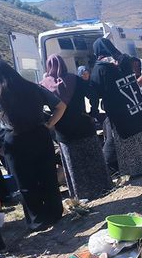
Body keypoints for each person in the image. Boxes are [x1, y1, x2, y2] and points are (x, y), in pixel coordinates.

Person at [0, 59, 66, 232]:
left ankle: (38, 220)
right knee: (48, 176)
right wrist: (49, 124)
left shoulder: (0, 94)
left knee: (26, 183)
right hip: (40, 135)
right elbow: (60, 106)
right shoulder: (33, 87)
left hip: (15, 140)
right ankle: (55, 213)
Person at [41, 55, 112, 200]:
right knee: (94, 158)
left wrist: (49, 121)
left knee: (74, 165)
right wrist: (92, 112)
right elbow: (92, 94)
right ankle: (103, 188)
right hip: (84, 125)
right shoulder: (75, 79)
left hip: (64, 132)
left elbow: (38, 108)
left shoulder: (43, 85)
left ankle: (82, 194)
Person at [90, 39, 142, 177]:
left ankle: (137, 172)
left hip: (122, 116)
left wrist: (94, 112)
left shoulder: (99, 70)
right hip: (140, 110)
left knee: (130, 146)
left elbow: (96, 93)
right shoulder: (125, 60)